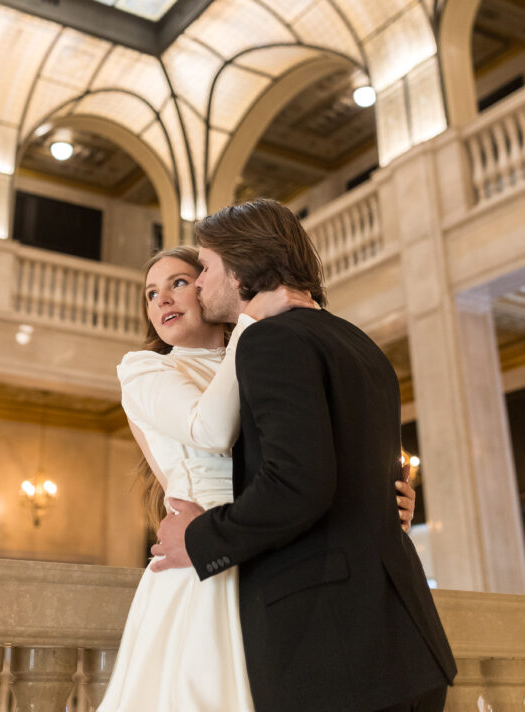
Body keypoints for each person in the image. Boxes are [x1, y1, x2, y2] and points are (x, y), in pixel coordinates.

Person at [153, 200, 457, 712]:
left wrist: (200, 539)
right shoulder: (361, 344)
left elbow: (298, 483)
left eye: (205, 267)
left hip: (334, 652)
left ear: (242, 264)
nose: (199, 283)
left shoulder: (269, 341)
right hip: (409, 642)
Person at [98, 244, 417, 712]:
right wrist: (251, 322)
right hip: (202, 561)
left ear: (209, 288)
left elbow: (304, 467)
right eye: (151, 293)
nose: (161, 299)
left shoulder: (262, 359)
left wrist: (379, 504)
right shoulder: (145, 368)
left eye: (179, 282)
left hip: (277, 556)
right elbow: (208, 429)